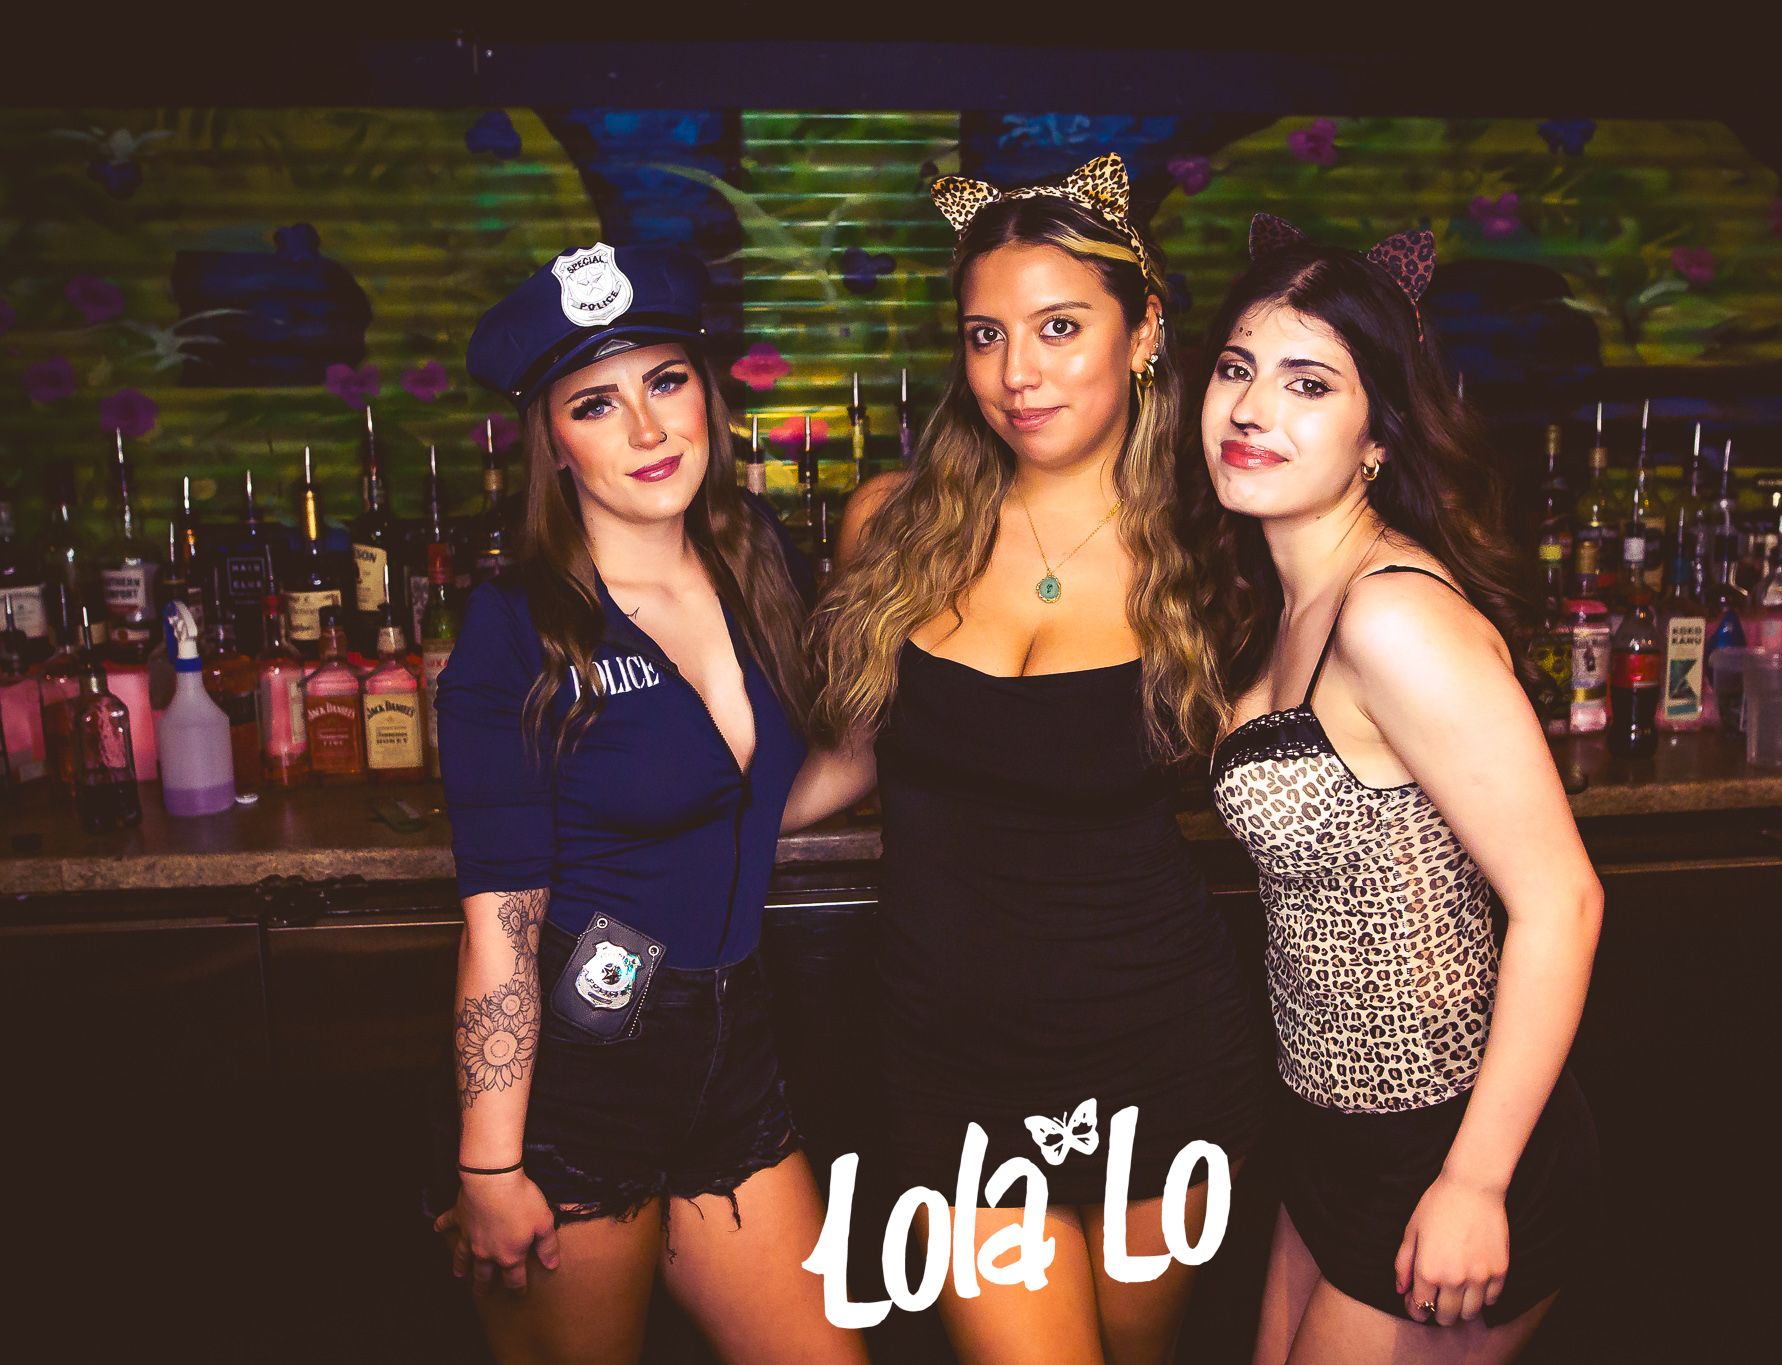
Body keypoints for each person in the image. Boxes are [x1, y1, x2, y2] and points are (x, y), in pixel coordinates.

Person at [785, 155, 1266, 1365]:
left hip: (1156, 1048)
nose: (1016, 373)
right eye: (985, 334)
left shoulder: (1218, 551)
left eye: (1059, 327)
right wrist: (655, 830)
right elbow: (848, 756)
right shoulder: (894, 523)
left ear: (1141, 332)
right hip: (949, 1061)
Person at [429, 242, 868, 1365]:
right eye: (596, 403)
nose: (647, 428)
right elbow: (501, 928)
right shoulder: (516, 628)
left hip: (735, 1058)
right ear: (551, 442)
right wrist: (490, 1168)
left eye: (665, 381)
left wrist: (906, 700)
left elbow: (749, 806)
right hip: (580, 1082)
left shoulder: (753, 564)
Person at [1197, 215, 1603, 1365]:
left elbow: (1562, 902)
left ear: (1376, 434)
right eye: (1234, 369)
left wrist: (1474, 1181)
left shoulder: (1391, 616)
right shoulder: (1279, 600)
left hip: (1444, 1142)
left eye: (1307, 384)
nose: (1250, 410)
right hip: (1328, 1129)